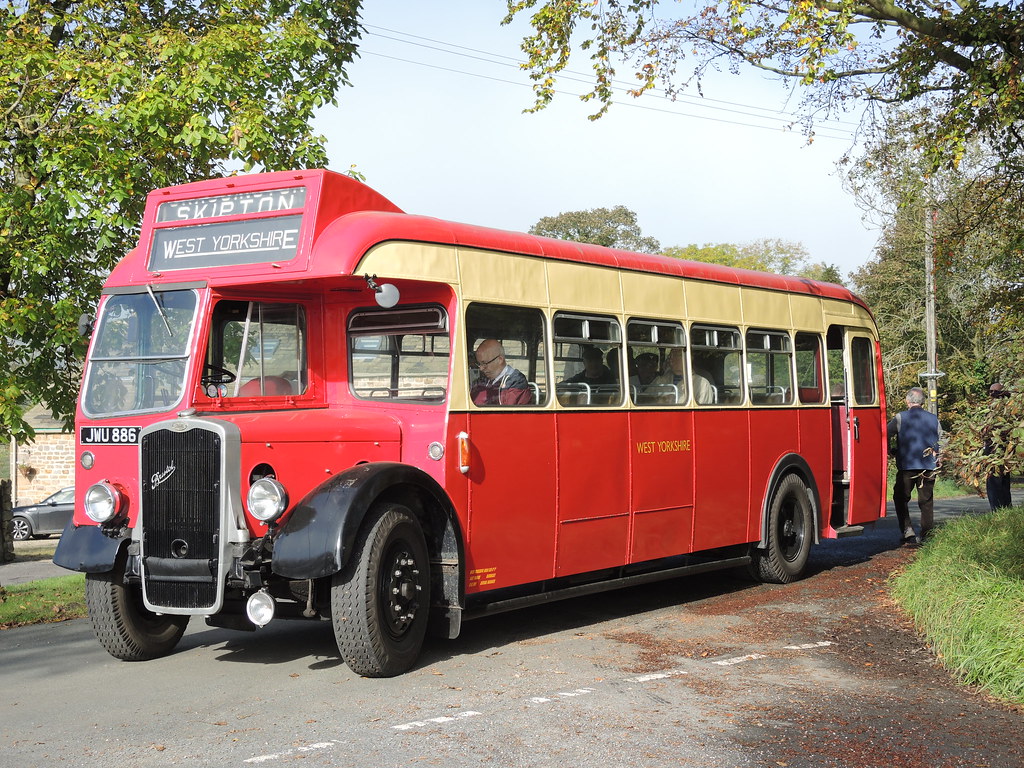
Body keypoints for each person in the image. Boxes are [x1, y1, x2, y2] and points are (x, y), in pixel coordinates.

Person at [887, 387, 941, 544]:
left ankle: (907, 531)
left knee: (900, 497)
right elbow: (943, 439)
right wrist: (939, 456)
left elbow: (885, 434)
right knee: (926, 501)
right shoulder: (933, 419)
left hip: (907, 466)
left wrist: (891, 450)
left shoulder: (900, 418)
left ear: (907, 401)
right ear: (923, 401)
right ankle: (927, 534)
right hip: (928, 466)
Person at [470, 339, 532, 406]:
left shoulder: (516, 383)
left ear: (500, 360)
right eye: (479, 364)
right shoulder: (482, 381)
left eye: (484, 363)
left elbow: (507, 413)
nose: (481, 368)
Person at [983, 383, 1013, 511]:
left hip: (994, 451)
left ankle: (998, 511)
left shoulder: (994, 410)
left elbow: (986, 431)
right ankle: (1006, 510)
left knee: (995, 484)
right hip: (1006, 452)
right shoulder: (1009, 409)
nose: (991, 394)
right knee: (1003, 483)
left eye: (993, 392)